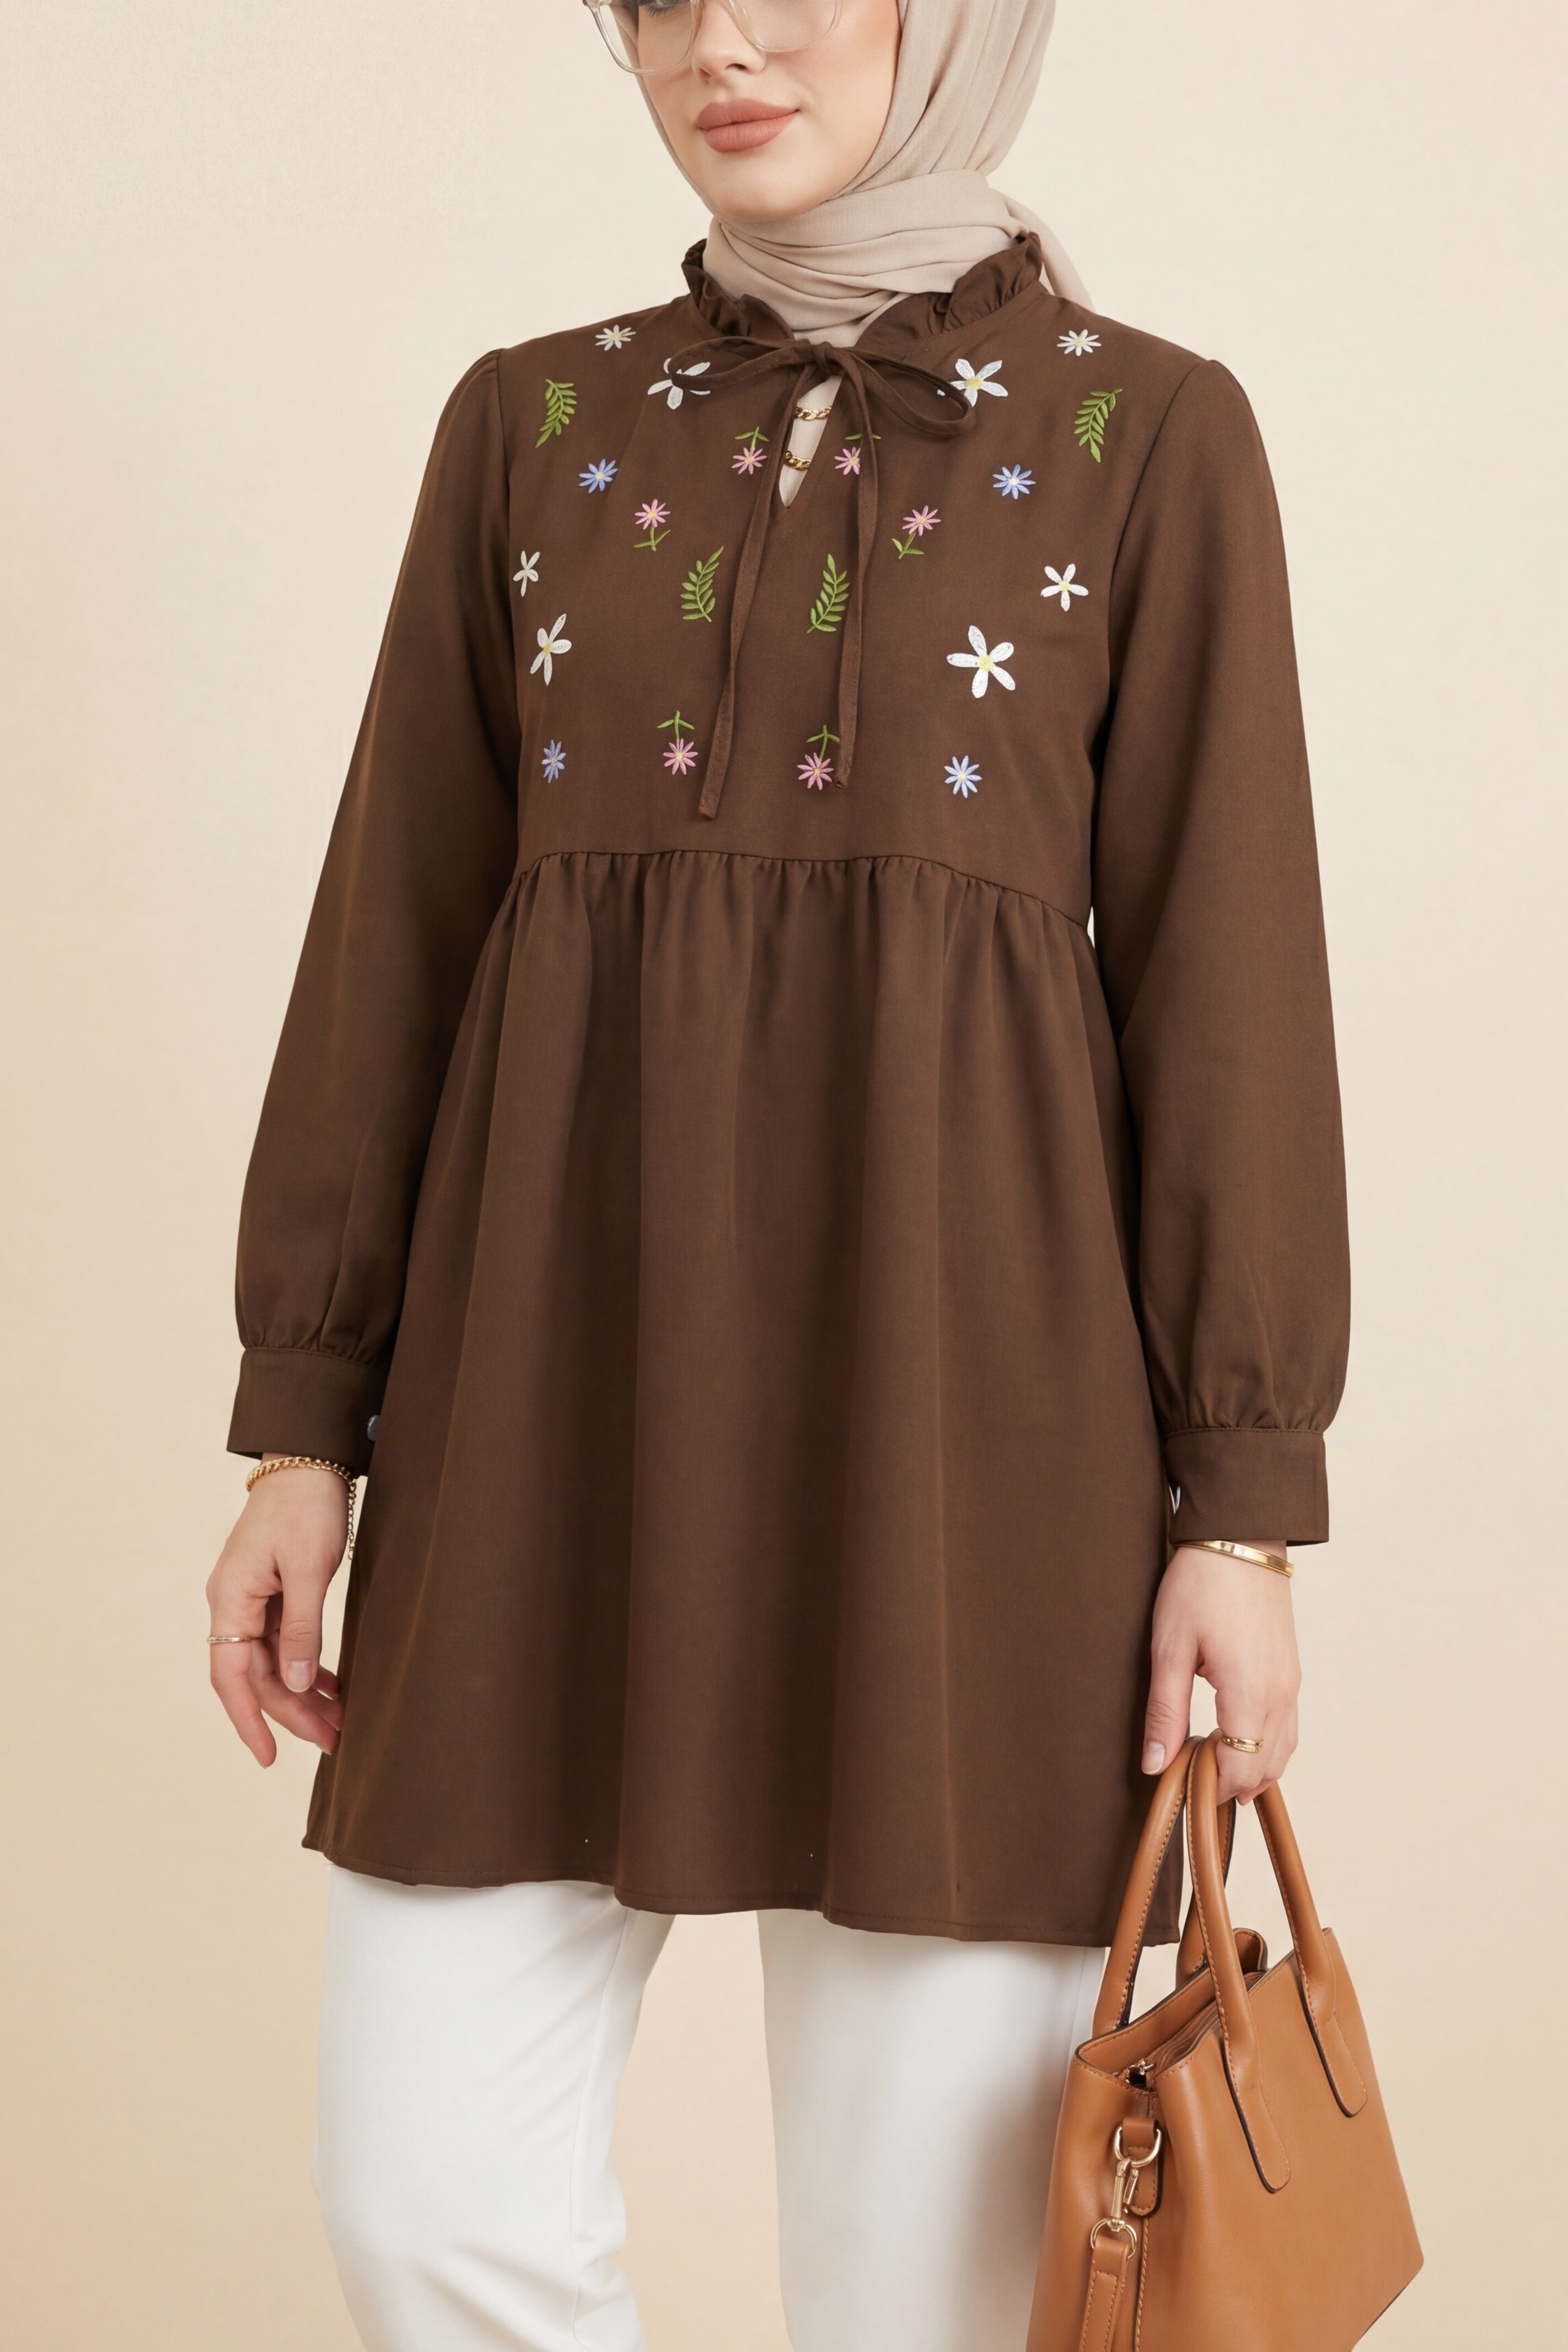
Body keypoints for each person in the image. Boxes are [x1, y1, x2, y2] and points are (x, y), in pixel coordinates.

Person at [206, 3, 1347, 2348]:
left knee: (922, 2297)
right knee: (425, 2194)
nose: (715, 46)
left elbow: (1228, 985)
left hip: (971, 1456)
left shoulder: (1145, 433)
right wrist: (302, 1420)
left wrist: (1237, 1508)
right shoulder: (529, 423)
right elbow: (393, 930)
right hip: (540, 1421)